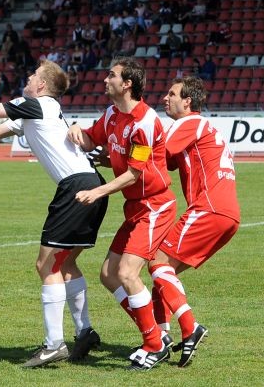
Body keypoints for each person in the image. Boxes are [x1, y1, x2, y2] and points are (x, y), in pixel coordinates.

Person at [0, 60, 108, 367]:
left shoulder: (36, 103)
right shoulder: (40, 110)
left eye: (31, 76)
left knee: (46, 264)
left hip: (75, 188)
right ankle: (85, 332)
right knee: (65, 263)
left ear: (41, 85)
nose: (27, 78)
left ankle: (53, 344)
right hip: (93, 183)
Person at [67, 56, 178, 370]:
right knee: (107, 274)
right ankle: (154, 335)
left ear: (127, 83)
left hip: (156, 206)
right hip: (136, 208)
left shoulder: (145, 121)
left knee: (127, 274)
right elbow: (94, 139)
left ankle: (154, 345)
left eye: (111, 75)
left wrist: (97, 191)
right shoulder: (112, 114)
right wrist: (76, 130)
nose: (105, 80)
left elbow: (135, 174)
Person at [151, 77, 240, 367]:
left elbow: (155, 155)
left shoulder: (188, 123)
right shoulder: (205, 127)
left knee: (157, 262)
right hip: (227, 214)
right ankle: (161, 339)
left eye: (172, 94)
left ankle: (190, 327)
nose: (166, 98)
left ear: (188, 101)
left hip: (209, 208)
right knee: (164, 277)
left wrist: (116, 154)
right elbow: (170, 162)